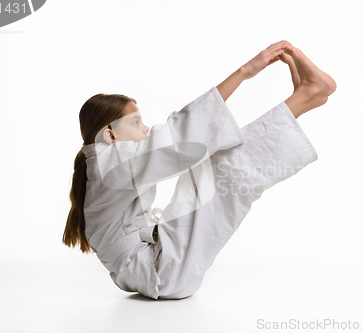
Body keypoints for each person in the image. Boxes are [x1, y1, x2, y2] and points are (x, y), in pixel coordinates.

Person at [62, 40, 337, 300]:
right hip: (160, 271)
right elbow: (177, 137)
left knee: (206, 172)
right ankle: (307, 96)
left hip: (158, 266)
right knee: (222, 172)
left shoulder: (102, 165)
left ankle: (306, 98)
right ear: (110, 136)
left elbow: (176, 140)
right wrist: (244, 72)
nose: (145, 128)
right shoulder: (110, 164)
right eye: (135, 123)